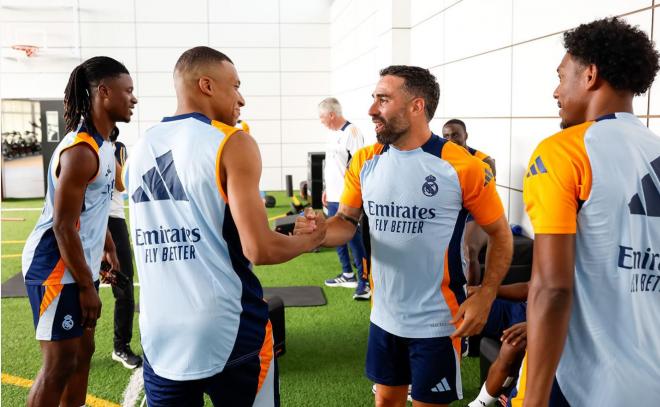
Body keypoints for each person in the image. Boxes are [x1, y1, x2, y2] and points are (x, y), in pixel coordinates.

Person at [296, 65, 513, 407]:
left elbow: (501, 235)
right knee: (385, 402)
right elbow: (346, 222)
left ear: (416, 106)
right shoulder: (366, 160)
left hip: (439, 322)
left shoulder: (463, 166)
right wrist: (318, 234)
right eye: (373, 99)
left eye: (382, 100)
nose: (371, 110)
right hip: (383, 316)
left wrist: (486, 295)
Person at [125, 46, 325, 406]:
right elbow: (259, 249)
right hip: (227, 326)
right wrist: (310, 241)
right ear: (206, 85)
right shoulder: (231, 142)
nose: (241, 98)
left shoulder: (140, 147)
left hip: (159, 331)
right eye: (235, 86)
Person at [516, 18, 660, 407]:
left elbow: (552, 288)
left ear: (591, 75)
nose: (556, 91)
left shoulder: (564, 150)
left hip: (582, 385)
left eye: (562, 77)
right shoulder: (655, 150)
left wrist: (534, 399)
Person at [21, 56, 136, 407]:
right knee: (59, 365)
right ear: (104, 92)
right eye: (128, 91)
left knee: (83, 350)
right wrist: (86, 286)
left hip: (76, 262)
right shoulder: (81, 151)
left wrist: (107, 246)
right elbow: (62, 225)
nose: (133, 98)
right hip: (54, 266)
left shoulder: (104, 146)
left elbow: (92, 207)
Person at [318, 97, 370, 300]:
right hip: (332, 194)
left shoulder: (352, 132)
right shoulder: (332, 134)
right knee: (334, 234)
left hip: (347, 197)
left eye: (322, 117)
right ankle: (348, 274)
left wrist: (354, 195)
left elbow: (358, 165)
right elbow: (332, 165)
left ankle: (364, 282)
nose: (321, 121)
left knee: (353, 239)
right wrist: (325, 189)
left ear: (332, 114)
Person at [442, 119, 496, 286]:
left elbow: (483, 195)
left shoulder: (483, 160)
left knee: (468, 249)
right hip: (453, 210)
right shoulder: (440, 158)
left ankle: (472, 295)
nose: (451, 140)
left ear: (466, 135)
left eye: (456, 135)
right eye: (446, 136)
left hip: (477, 211)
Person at [106, 127, 142, 369]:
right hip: (87, 222)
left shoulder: (117, 148)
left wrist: (107, 150)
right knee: (83, 285)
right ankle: (77, 346)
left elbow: (121, 185)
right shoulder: (80, 144)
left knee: (124, 284)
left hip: (114, 219)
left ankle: (121, 347)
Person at [468, 283, 528, 407]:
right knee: (466, 301)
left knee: (513, 344)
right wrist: (486, 290)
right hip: (525, 309)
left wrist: (534, 325)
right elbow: (530, 287)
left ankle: (478, 404)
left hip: (549, 324)